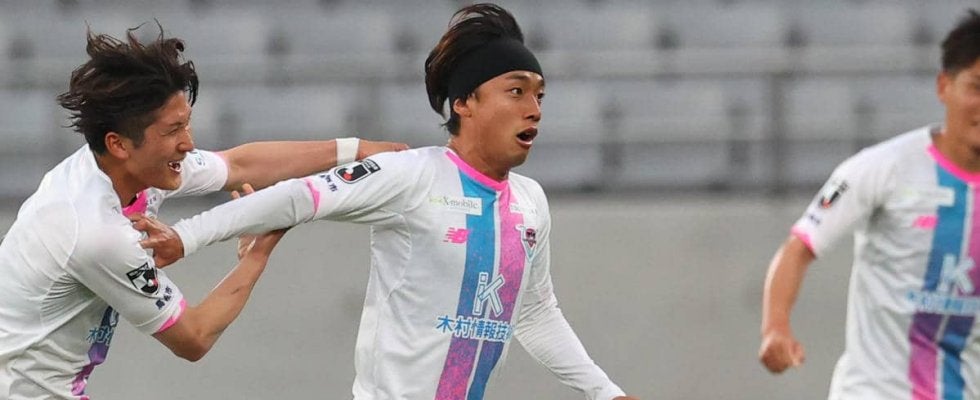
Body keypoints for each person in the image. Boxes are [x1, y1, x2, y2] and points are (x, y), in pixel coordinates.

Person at [140, 4, 637, 399]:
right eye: (516, 91)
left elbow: (533, 312)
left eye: (539, 96)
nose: (534, 109)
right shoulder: (411, 175)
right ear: (464, 103)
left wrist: (605, 392)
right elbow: (296, 197)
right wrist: (186, 237)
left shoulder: (530, 201)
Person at [0, 26, 404, 399]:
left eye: (187, 125)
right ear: (119, 144)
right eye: (173, 130)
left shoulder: (123, 168)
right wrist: (257, 256)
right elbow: (194, 337)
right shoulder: (96, 232)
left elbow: (238, 165)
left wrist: (355, 149)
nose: (188, 143)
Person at [759, 9, 980, 400]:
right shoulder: (882, 168)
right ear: (944, 86)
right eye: (977, 87)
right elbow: (799, 247)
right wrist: (775, 328)